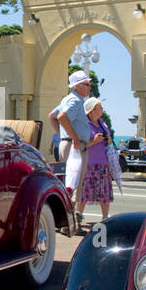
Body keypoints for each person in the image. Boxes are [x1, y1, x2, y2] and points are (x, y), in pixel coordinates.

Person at [50, 70, 94, 193]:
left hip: (69, 144)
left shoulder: (68, 99)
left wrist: (63, 136)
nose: (89, 88)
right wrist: (74, 138)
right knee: (74, 186)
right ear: (78, 86)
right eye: (87, 84)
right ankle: (71, 212)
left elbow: (52, 116)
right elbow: (61, 117)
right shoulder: (75, 101)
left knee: (69, 183)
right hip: (75, 147)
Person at [75, 96, 113, 229]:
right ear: (91, 111)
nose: (102, 110)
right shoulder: (84, 125)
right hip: (88, 163)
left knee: (104, 192)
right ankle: (78, 216)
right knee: (84, 193)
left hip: (103, 162)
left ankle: (105, 217)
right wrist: (94, 141)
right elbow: (79, 144)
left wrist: (108, 139)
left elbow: (109, 141)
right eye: (99, 107)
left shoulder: (102, 123)